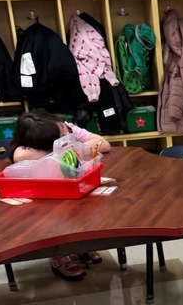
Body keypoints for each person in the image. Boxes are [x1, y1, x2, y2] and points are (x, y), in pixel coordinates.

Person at [9, 110, 112, 281]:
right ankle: (59, 256)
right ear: (46, 141)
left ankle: (81, 246)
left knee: (86, 212)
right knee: (54, 220)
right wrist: (71, 150)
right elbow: (20, 156)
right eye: (62, 134)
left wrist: (73, 146)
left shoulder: (66, 128)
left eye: (65, 128)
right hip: (42, 199)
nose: (68, 133)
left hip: (73, 188)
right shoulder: (24, 150)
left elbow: (104, 144)